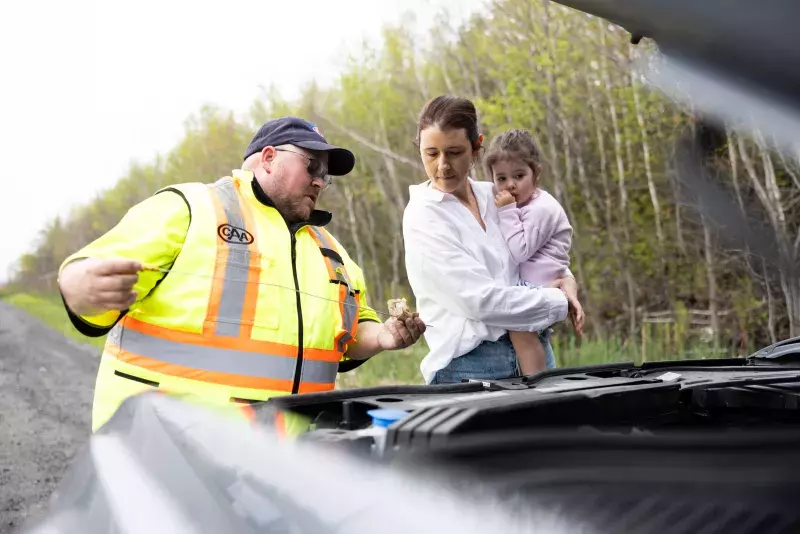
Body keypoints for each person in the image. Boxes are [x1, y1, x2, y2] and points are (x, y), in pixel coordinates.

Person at [58, 116, 426, 432]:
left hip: (287, 466)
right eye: (312, 166)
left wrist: (382, 336)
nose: (319, 181)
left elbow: (347, 334)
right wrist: (77, 287)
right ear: (268, 158)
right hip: (168, 448)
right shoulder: (191, 209)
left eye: (325, 176)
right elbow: (89, 274)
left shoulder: (331, 250)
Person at [402, 95, 583, 385]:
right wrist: (558, 301)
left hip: (536, 350)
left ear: (476, 148)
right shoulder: (423, 216)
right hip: (471, 368)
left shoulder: (496, 194)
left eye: (454, 152)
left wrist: (566, 278)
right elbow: (480, 301)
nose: (443, 165)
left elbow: (536, 250)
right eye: (431, 153)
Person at [487, 128, 583, 375]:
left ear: (536, 173)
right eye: (501, 179)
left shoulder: (542, 209)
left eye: (519, 175)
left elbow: (520, 251)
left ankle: (536, 383)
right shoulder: (527, 203)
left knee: (521, 333)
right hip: (537, 281)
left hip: (540, 284)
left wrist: (506, 212)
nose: (510, 185)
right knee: (524, 334)